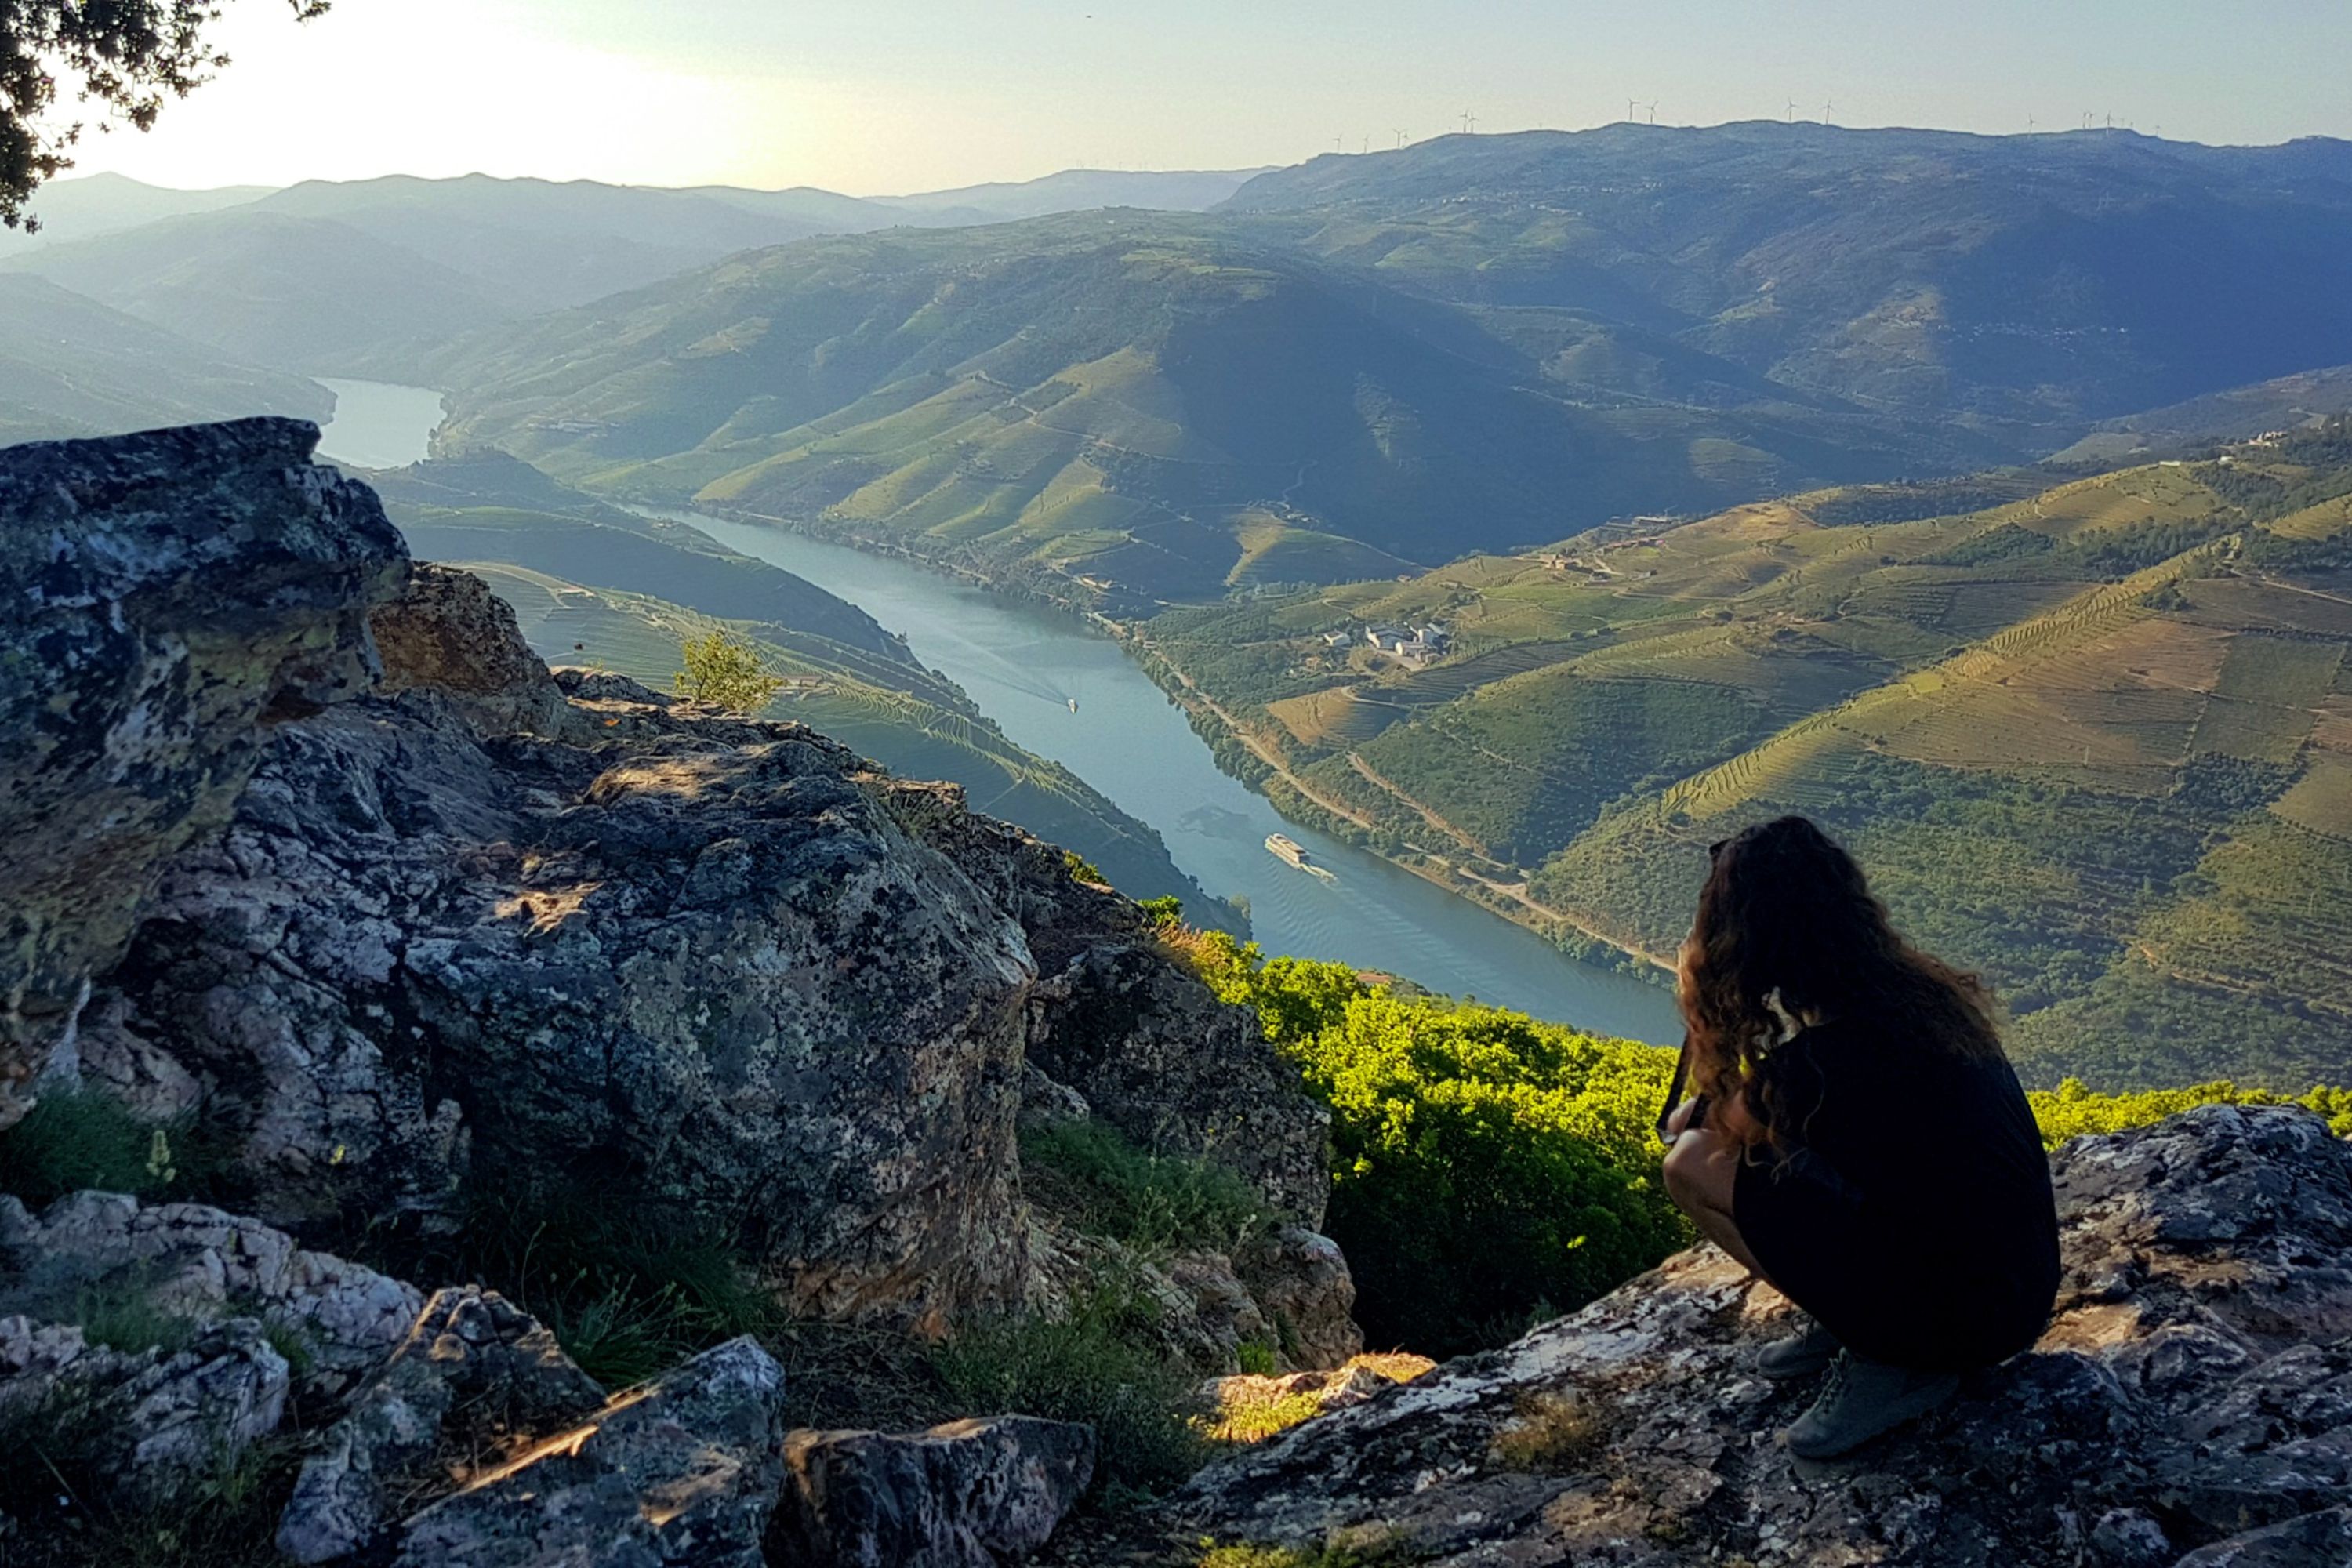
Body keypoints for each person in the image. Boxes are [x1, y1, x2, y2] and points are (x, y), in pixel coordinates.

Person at [1658, 815, 2060, 1460]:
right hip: (2018, 1292)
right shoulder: (1922, 1005)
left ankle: (1888, 1355)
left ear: (1751, 946)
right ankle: (1865, 1319)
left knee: (1688, 1168)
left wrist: (1703, 1012)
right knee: (1719, 1149)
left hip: (1969, 1323)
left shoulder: (1821, 1068)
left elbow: (1692, 1137)